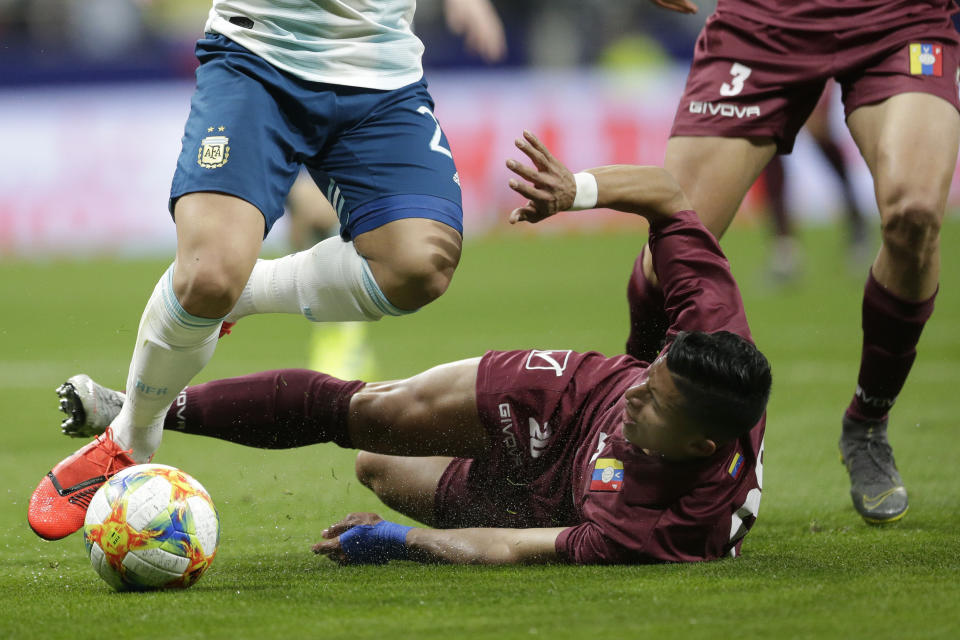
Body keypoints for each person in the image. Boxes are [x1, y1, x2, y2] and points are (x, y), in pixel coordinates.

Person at [52, 132, 772, 565]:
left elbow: (514, 548)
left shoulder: (656, 529)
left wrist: (401, 543)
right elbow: (668, 194)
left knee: (378, 471)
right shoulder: (712, 330)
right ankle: (143, 414)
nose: (640, 391)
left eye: (655, 401)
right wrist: (574, 190)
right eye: (654, 376)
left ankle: (145, 411)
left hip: (554, 500)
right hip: (570, 398)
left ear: (704, 444)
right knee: (377, 416)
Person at [27, 0, 505, 541]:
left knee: (420, 266)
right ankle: (130, 439)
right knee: (207, 276)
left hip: (381, 75)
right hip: (258, 57)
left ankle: (241, 293)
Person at [636, 0, 959, 524]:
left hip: (899, 18)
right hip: (765, 22)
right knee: (669, 245)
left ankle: (867, 421)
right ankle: (619, 419)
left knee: (915, 213)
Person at [761, 83, 869, 283]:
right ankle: (784, 249)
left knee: (818, 129)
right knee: (768, 142)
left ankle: (857, 225)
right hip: (773, 65)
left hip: (813, 60)